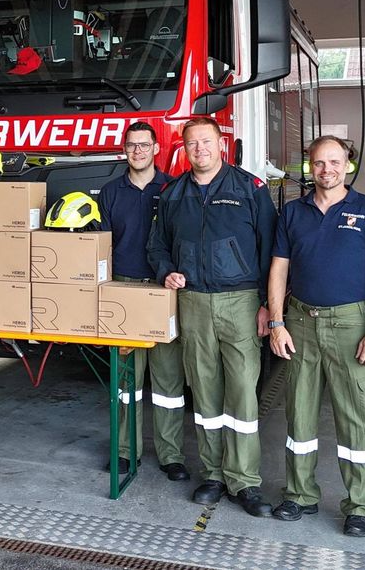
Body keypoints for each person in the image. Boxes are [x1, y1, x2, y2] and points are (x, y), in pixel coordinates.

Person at [147, 117, 277, 517]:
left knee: (241, 390)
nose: (199, 149)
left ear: (222, 144)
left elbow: (273, 250)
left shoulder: (250, 189)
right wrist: (166, 269)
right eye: (191, 143)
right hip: (193, 302)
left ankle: (245, 481)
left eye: (206, 141)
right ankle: (214, 474)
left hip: (240, 300)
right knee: (204, 391)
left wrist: (268, 306)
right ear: (183, 149)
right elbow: (158, 247)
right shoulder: (173, 194)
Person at [266, 136, 365, 537]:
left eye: (334, 162)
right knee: (299, 412)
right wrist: (276, 321)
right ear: (309, 167)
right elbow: (278, 269)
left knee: (357, 417)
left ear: (348, 166)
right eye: (318, 163)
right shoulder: (292, 212)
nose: (326, 170)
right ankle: (300, 494)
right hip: (300, 320)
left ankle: (360, 505)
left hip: (350, 324)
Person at [97, 120, 189, 482]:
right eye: (131, 145)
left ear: (156, 149)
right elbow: (100, 246)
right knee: (125, 382)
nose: (137, 151)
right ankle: (124, 451)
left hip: (163, 290)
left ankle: (171, 455)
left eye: (144, 145)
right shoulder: (110, 192)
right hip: (123, 289)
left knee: (167, 381)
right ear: (125, 150)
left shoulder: (172, 189)